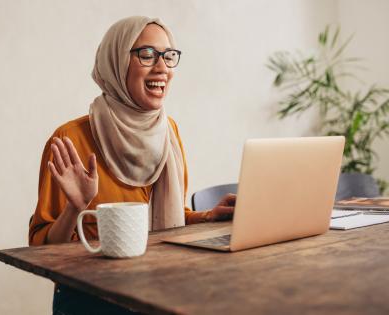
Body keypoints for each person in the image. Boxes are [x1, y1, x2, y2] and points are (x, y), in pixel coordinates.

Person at [28, 16, 236, 315]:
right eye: (147, 54)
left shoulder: (170, 132)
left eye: (168, 56)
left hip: (159, 286)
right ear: (116, 62)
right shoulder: (70, 139)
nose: (162, 67)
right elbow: (41, 251)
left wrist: (206, 217)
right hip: (93, 299)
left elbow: (163, 223)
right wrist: (75, 207)